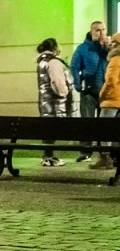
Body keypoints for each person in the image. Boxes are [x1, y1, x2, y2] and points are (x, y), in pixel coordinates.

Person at [70, 20, 108, 162]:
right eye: (98, 30)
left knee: (105, 124)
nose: (101, 33)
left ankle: (105, 152)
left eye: (103, 29)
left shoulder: (109, 48)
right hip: (89, 91)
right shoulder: (82, 49)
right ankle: (86, 151)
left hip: (106, 92)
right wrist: (78, 84)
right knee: (87, 122)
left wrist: (107, 47)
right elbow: (74, 67)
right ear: (91, 32)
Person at [36, 38, 73, 166]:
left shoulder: (42, 62)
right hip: (55, 103)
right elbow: (57, 82)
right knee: (51, 129)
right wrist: (65, 93)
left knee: (47, 129)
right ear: (55, 47)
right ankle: (49, 157)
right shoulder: (53, 62)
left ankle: (48, 156)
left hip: (45, 102)